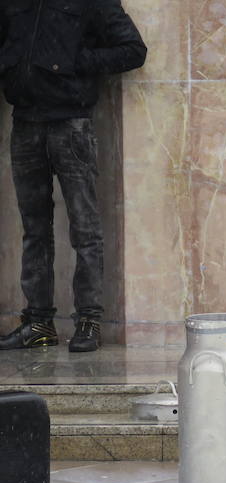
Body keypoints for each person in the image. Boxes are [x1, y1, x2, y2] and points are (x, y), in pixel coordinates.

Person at [0, 0, 147, 352]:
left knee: (85, 229)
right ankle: (38, 323)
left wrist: (75, 63)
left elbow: (133, 50)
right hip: (25, 122)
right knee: (34, 231)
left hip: (72, 123)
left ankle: (89, 320)